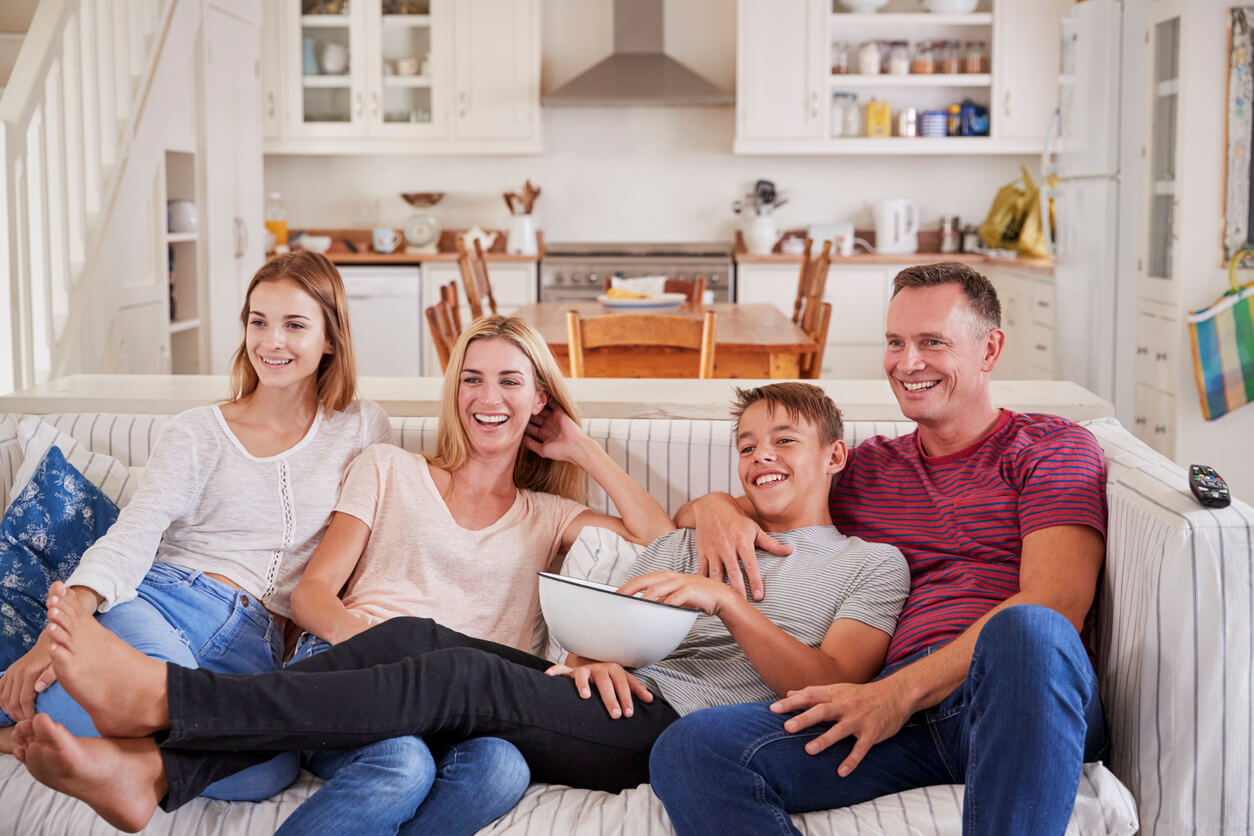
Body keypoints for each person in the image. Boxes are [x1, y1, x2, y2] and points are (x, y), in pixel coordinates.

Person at [14, 382, 911, 834]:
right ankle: (163, 774)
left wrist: (724, 599)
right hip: (615, 694)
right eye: (747, 444)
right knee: (409, 636)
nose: (759, 459)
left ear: (835, 458)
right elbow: (632, 598)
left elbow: (833, 680)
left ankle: (168, 708)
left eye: (783, 443)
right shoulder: (704, 532)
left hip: (683, 728)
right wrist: (600, 653)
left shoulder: (872, 565)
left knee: (449, 676)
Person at [648, 262, 1109, 836]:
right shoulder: (868, 468)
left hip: (1017, 694)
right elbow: (741, 505)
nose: (906, 363)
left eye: (932, 342)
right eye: (895, 342)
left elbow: (1055, 602)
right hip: (905, 719)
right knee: (693, 747)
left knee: (1028, 632)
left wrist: (894, 694)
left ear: (989, 349)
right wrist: (714, 504)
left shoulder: (1051, 448)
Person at [0, 251, 393, 802]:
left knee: (270, 769)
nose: (271, 342)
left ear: (331, 338)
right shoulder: (197, 432)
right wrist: (63, 625)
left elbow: (378, 530)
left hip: (254, 645)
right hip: (162, 604)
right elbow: (136, 529)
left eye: (294, 325)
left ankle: (92, 752)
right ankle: (89, 692)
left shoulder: (361, 426)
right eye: (258, 322)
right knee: (169, 690)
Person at [273, 314, 679, 836]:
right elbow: (310, 595)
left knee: (501, 769)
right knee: (403, 765)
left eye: (510, 381)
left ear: (540, 401)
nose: (489, 398)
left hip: (461, 711)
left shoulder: (549, 516)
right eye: (472, 379)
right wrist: (383, 652)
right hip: (358, 672)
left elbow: (663, 545)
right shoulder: (387, 467)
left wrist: (582, 448)